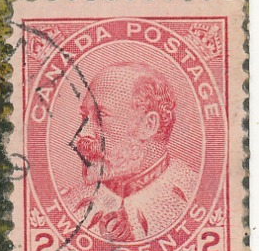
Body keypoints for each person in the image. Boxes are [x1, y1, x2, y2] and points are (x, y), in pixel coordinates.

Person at [62, 62, 199, 240]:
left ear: (148, 125)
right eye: (84, 117)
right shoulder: (70, 203)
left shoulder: (195, 198)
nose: (81, 135)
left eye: (101, 116)